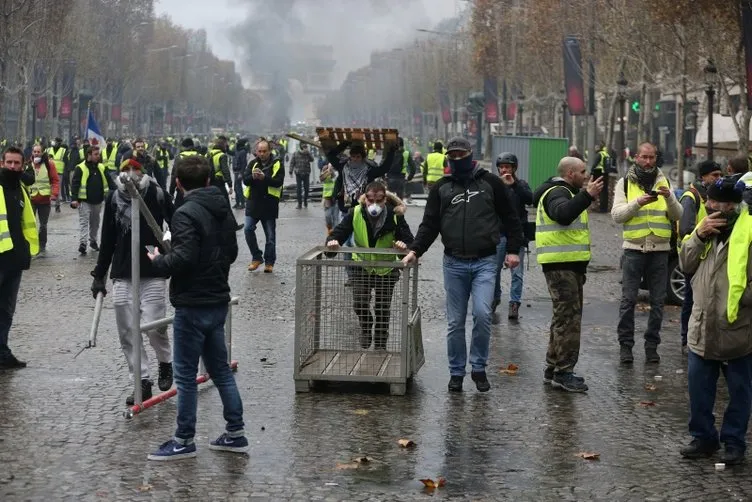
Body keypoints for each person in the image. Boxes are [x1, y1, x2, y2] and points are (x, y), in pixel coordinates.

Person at [403, 137, 523, 393]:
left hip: (485, 261)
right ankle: (456, 372)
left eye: (461, 154)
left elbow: (510, 217)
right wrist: (415, 249)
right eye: (452, 155)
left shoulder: (490, 183)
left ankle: (478, 367)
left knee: (482, 314)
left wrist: (513, 250)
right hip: (454, 262)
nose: (457, 159)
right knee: (455, 322)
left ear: (470, 154)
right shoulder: (441, 188)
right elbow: (430, 224)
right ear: (448, 157)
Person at [146, 154, 246, 461]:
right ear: (208, 180)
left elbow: (184, 258)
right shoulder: (223, 208)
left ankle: (183, 440)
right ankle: (235, 433)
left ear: (177, 183)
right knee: (220, 371)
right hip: (217, 298)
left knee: (186, 375)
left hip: (192, 302)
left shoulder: (184, 213)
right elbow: (231, 252)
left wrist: (158, 262)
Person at [678, 176, 752, 465]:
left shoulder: (747, 232)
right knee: (699, 389)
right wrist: (698, 236)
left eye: (713, 202)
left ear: (730, 206)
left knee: (740, 392)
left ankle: (734, 441)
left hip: (738, 328)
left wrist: (739, 296)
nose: (707, 206)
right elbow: (685, 263)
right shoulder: (705, 227)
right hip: (701, 325)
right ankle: (703, 438)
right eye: (707, 201)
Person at [91, 158, 174, 405]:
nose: (130, 174)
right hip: (123, 270)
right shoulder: (114, 198)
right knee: (127, 329)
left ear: (142, 172)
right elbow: (107, 238)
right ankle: (142, 379)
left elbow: (175, 226)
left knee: (153, 324)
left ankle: (165, 362)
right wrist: (99, 274)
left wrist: (170, 251)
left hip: (153, 269)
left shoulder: (158, 193)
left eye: (135, 170)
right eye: (126, 170)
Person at [534, 157, 603, 392]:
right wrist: (587, 196)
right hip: (561, 266)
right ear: (571, 173)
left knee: (562, 319)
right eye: (583, 171)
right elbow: (562, 215)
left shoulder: (565, 191)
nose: (586, 175)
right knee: (569, 321)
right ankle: (564, 372)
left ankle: (553, 368)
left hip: (567, 265)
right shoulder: (558, 192)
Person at [611, 142, 682, 364]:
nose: (648, 161)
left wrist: (669, 197)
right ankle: (626, 346)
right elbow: (617, 215)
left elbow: (677, 214)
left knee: (658, 302)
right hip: (633, 251)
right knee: (628, 300)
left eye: (651, 157)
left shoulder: (664, 181)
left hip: (660, 251)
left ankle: (652, 346)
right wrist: (638, 203)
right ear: (636, 157)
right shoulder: (624, 183)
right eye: (644, 157)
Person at [327, 181, 413, 350]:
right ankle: (366, 327)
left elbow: (410, 240)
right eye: (370, 200)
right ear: (364, 199)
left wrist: (403, 246)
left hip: (386, 269)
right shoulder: (355, 212)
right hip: (361, 266)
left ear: (385, 200)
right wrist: (332, 243)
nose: (374, 205)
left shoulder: (395, 216)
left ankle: (381, 343)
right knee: (359, 302)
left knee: (382, 307)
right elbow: (338, 233)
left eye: (379, 200)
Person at [677, 160, 722, 352]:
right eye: (714, 175)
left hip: (705, 255)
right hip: (693, 256)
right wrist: (702, 234)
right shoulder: (691, 197)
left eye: (720, 175)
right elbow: (685, 229)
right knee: (690, 299)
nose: (718, 179)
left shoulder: (710, 196)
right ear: (703, 177)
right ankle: (686, 339)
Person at [0, 146, 38, 369]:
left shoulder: (21, 189)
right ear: (2, 163)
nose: (13, 167)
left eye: (16, 163)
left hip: (15, 260)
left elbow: (27, 224)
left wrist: (26, 252)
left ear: (22, 165)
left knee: (6, 311)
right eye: (9, 163)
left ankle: (2, 352)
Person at [493, 152, 533, 321]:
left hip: (517, 236)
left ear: (514, 168)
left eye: (507, 167)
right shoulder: (494, 186)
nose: (504, 170)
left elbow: (530, 199)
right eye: (501, 167)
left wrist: (514, 185)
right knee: (494, 271)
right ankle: (494, 298)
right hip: (499, 235)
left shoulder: (521, 184)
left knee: (516, 273)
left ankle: (514, 303)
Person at [243, 140, 284, 273]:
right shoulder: (253, 163)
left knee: (270, 237)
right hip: (253, 203)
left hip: (269, 205)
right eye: (259, 151)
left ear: (269, 151)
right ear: (256, 151)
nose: (261, 154)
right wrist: (253, 177)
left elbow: (278, 182)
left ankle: (269, 262)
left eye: (264, 151)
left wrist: (264, 178)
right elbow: (245, 179)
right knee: (248, 229)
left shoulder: (277, 163)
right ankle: (256, 257)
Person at [326, 140, 396, 214]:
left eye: (358, 157)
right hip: (345, 207)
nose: (355, 159)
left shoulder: (368, 170)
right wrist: (345, 143)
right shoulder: (344, 167)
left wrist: (391, 152)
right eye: (353, 156)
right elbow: (331, 156)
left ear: (362, 158)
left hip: (362, 207)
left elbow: (384, 168)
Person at [71, 145, 115, 256]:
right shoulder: (80, 168)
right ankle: (83, 244)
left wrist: (117, 191)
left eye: (98, 154)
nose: (98, 156)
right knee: (84, 222)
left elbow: (110, 182)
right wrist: (74, 199)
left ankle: (93, 241)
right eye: (95, 154)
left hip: (98, 201)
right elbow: (75, 184)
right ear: (89, 155)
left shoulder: (101, 167)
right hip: (84, 201)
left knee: (95, 223)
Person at [25, 144, 60, 256]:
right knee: (31, 224)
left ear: (43, 152)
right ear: (32, 152)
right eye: (34, 151)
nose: (36, 154)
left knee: (43, 225)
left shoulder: (49, 165)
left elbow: (55, 180)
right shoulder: (27, 165)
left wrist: (54, 194)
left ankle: (42, 244)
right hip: (31, 199)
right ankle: (31, 244)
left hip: (45, 200)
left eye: (38, 152)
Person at [170, 138, 200, 209]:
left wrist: (171, 192)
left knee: (178, 213)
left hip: (182, 192)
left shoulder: (179, 157)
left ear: (184, 147)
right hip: (197, 191)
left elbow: (174, 176)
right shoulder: (199, 156)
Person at [289, 143, 314, 209]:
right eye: (304, 147)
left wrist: (308, 153)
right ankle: (299, 204)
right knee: (299, 189)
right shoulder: (295, 153)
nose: (305, 148)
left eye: (306, 147)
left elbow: (312, 159)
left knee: (307, 189)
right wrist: (290, 171)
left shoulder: (307, 153)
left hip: (306, 173)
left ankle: (305, 201)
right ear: (301, 147)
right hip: (298, 173)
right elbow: (292, 163)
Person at [590, 141, 611, 212]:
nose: (595, 148)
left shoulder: (599, 154)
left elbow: (594, 164)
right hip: (606, 174)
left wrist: (591, 171)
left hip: (599, 173)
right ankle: (604, 208)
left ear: (599, 147)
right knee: (605, 192)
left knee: (600, 190)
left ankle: (600, 208)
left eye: (596, 147)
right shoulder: (606, 154)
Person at [320, 162, 340, 234]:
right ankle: (329, 227)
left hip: (336, 198)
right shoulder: (325, 170)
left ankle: (335, 235)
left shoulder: (338, 172)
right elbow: (322, 178)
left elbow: (334, 178)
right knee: (328, 216)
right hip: (327, 199)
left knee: (336, 218)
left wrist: (332, 171)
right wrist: (328, 170)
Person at [232, 139, 248, 209]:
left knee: (238, 188)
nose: (236, 143)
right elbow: (231, 153)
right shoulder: (237, 150)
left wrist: (241, 173)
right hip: (236, 171)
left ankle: (242, 203)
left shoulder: (242, 151)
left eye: (238, 142)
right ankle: (237, 203)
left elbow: (244, 163)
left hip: (239, 172)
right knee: (236, 188)